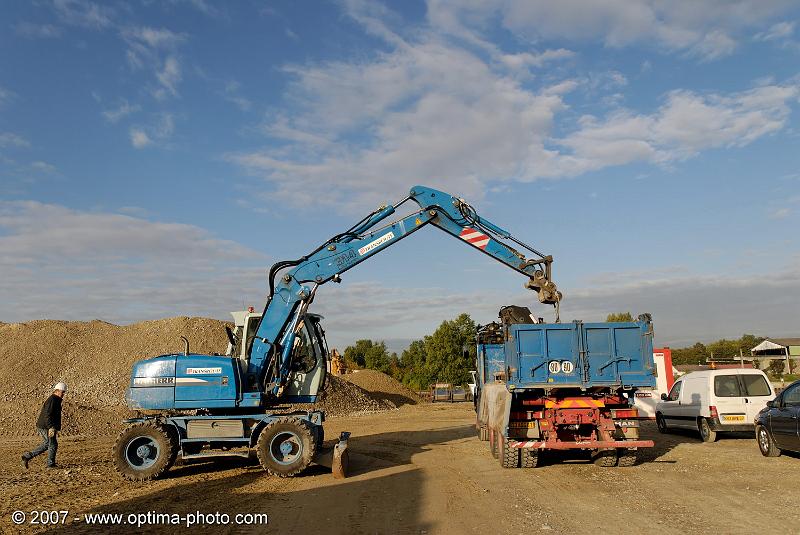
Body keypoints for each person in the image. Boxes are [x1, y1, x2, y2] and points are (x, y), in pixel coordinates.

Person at [22, 382, 66, 469]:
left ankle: (27, 456)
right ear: (57, 391)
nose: (63, 394)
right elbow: (47, 414)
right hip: (45, 426)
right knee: (53, 444)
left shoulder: (55, 400)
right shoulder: (52, 400)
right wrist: (51, 427)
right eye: (62, 392)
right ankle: (50, 464)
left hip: (45, 426)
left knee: (47, 444)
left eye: (64, 392)